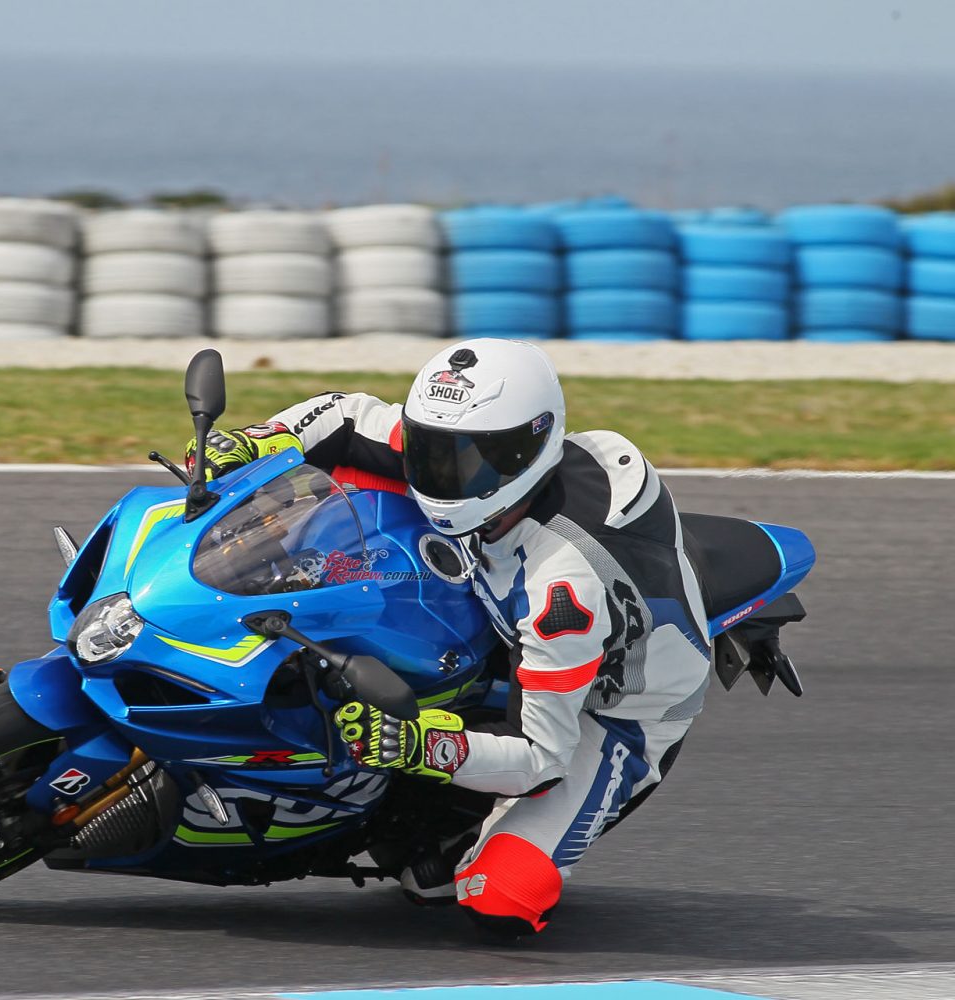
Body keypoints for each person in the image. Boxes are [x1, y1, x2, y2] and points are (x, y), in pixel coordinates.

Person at [185, 338, 711, 937]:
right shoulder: (475, 456)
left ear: (527, 451)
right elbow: (347, 416)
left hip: (612, 708)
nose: (438, 474)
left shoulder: (562, 591)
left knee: (499, 895)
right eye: (431, 450)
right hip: (498, 608)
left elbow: (542, 757)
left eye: (465, 462)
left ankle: (454, 826)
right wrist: (262, 439)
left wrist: (419, 747)